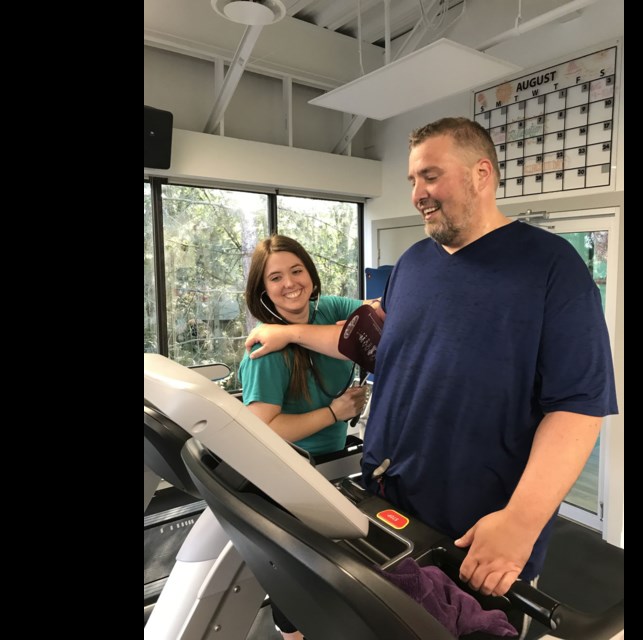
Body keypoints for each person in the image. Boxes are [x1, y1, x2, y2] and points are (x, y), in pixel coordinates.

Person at [245, 118, 618, 609]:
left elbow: (578, 407)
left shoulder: (551, 268)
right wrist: (288, 332)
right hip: (390, 501)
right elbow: (365, 343)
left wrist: (522, 523)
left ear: (481, 174)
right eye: (413, 181)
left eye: (431, 176)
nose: (418, 193)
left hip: (477, 527)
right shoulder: (415, 263)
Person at [239, 234, 370, 640]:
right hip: (287, 475)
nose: (290, 283)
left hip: (332, 466)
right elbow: (259, 431)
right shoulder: (266, 350)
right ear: (263, 290)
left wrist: (301, 332)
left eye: (297, 270)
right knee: (295, 587)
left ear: (311, 275)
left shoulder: (330, 309)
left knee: (329, 577)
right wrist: (335, 412)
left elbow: (379, 317)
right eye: (275, 277)